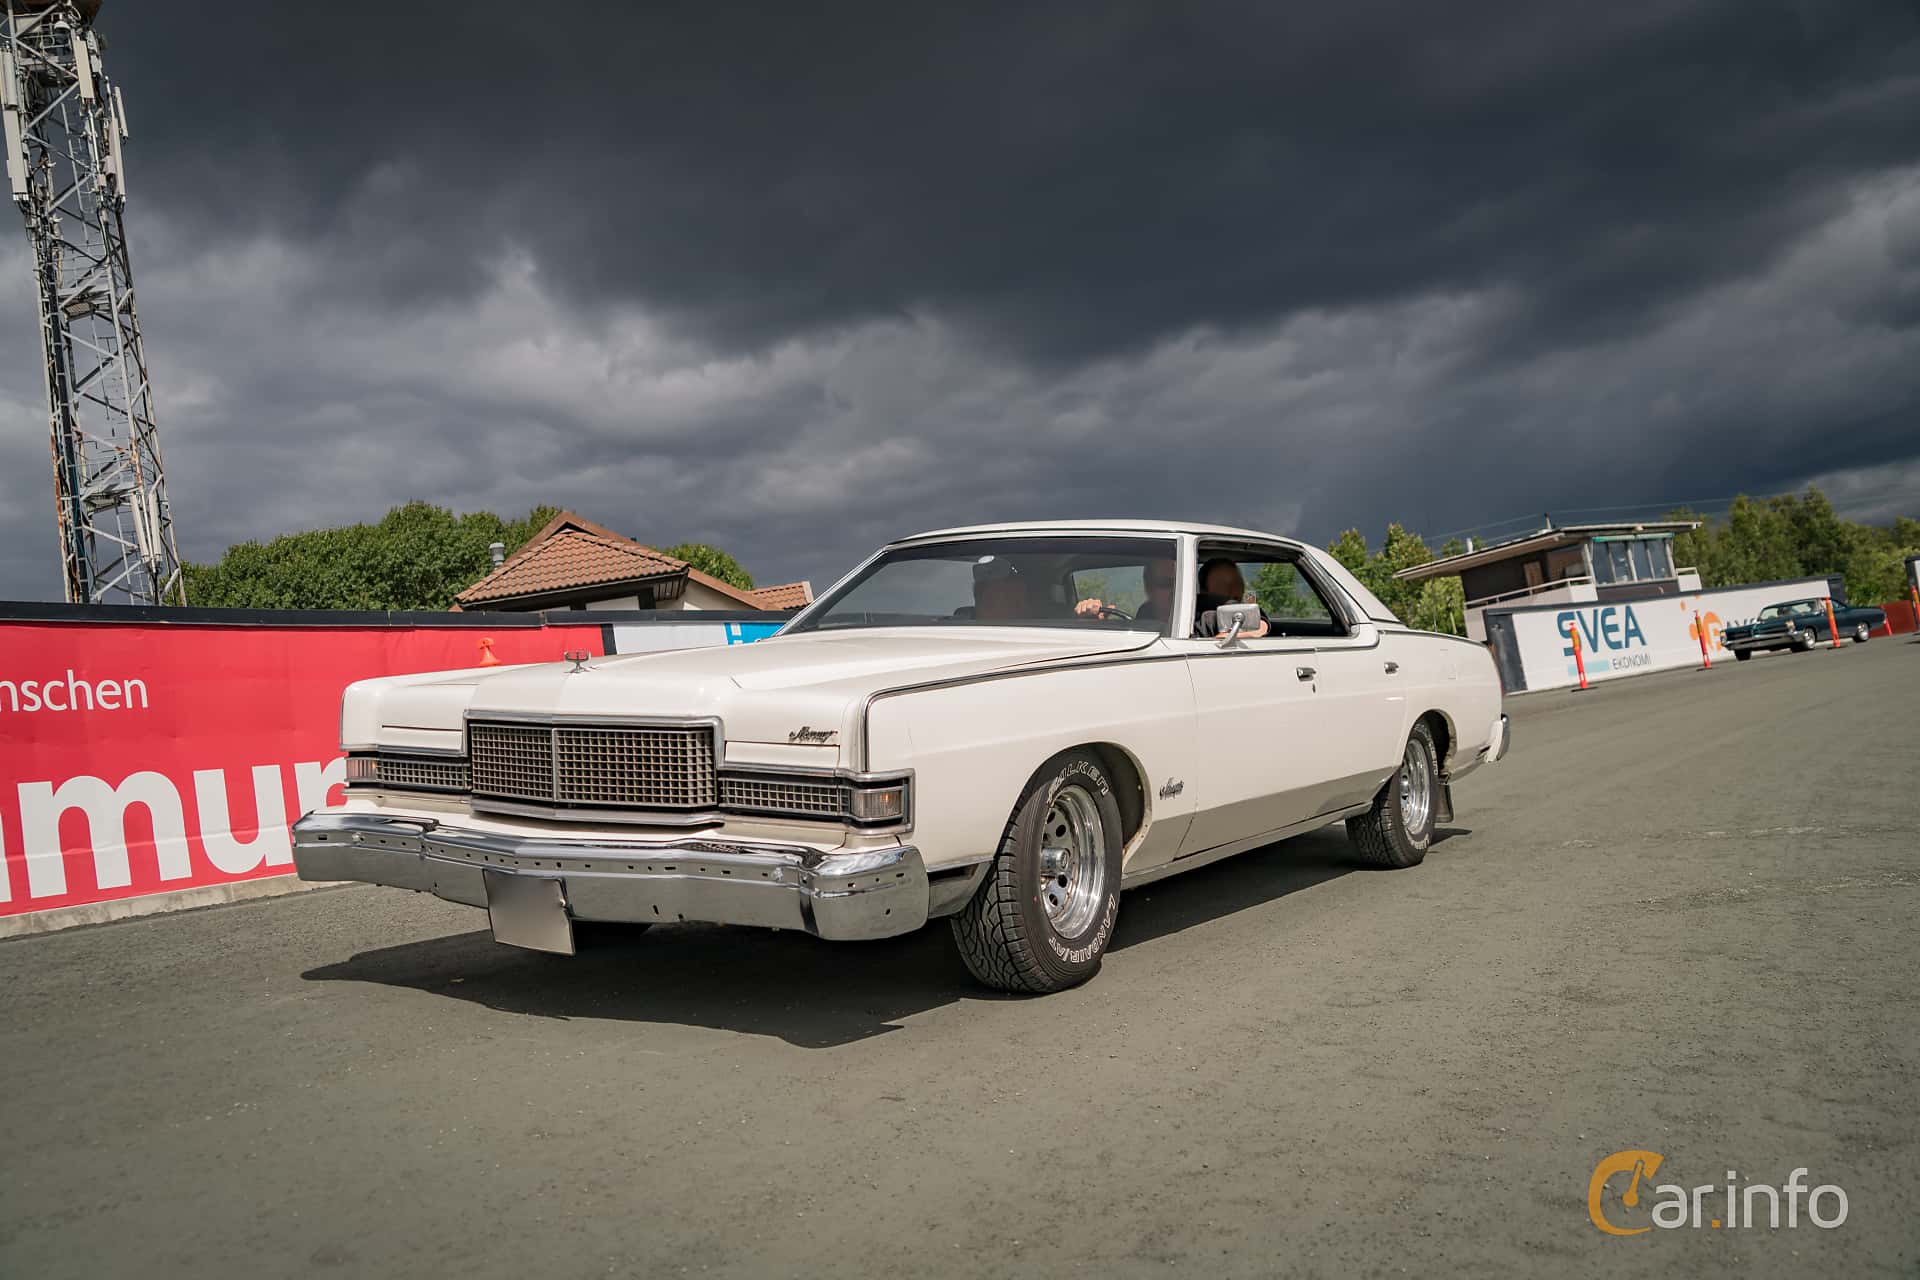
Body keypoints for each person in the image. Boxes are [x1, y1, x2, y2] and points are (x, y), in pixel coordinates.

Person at [1074, 557, 1175, 625]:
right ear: (1149, 588)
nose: (1174, 591)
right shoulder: (1135, 635)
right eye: (1166, 583)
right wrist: (1091, 623)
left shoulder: (1190, 634)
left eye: (1180, 583)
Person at [1194, 557, 1271, 639]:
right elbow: (1259, 627)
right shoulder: (1206, 615)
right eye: (1223, 585)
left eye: (1238, 583)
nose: (1234, 590)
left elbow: (1260, 626)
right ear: (1204, 591)